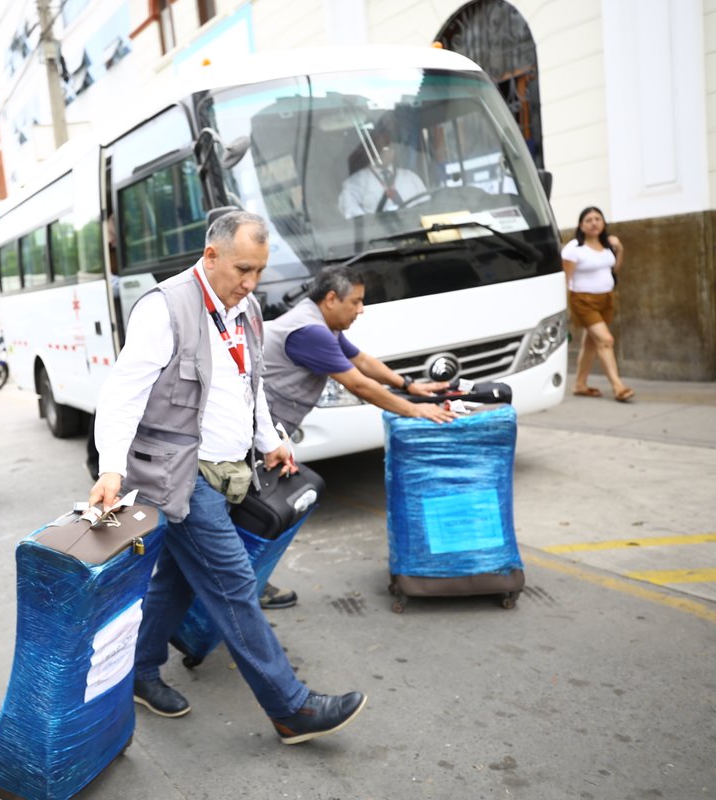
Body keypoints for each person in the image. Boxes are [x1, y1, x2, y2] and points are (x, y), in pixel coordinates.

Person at [88, 210, 366, 746]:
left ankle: (140, 672)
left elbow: (249, 383)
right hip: (178, 475)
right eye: (243, 269)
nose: (251, 283)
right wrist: (112, 469)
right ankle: (291, 708)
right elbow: (122, 393)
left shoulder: (247, 308)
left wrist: (271, 440)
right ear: (210, 256)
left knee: (173, 579)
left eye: (259, 271)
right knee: (235, 586)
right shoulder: (165, 308)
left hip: (228, 471)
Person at [256, 266, 456, 609]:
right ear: (331, 299)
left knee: (250, 510)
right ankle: (243, 584)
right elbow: (358, 383)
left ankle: (244, 580)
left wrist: (410, 387)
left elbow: (361, 360)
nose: (361, 310)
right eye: (357, 302)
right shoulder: (310, 331)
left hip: (268, 429)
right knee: (251, 511)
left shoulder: (324, 324)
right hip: (257, 434)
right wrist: (415, 410)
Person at [563, 206, 633, 402]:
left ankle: (580, 384)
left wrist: (620, 249)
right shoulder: (574, 248)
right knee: (606, 340)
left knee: (591, 343)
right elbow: (566, 279)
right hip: (583, 300)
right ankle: (618, 386)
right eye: (589, 220)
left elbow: (614, 269)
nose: (594, 223)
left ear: (603, 223)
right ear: (581, 225)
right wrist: (565, 308)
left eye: (597, 219)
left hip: (606, 299)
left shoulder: (608, 245)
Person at [339, 120, 427, 219]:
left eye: (386, 148)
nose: (382, 153)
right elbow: (351, 213)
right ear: (370, 151)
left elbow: (427, 208)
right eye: (377, 148)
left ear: (394, 150)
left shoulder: (411, 178)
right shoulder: (355, 182)